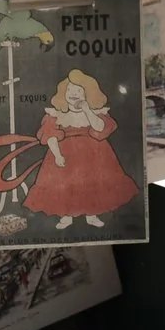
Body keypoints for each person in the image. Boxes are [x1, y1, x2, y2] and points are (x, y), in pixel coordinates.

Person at [20, 70, 136, 229]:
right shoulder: (57, 114)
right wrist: (57, 155)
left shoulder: (96, 113)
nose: (73, 93)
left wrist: (87, 109)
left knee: (92, 183)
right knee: (66, 185)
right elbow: (50, 136)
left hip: (93, 155)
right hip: (65, 155)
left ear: (88, 93)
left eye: (78, 90)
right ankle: (66, 216)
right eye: (69, 90)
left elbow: (100, 128)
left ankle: (92, 215)